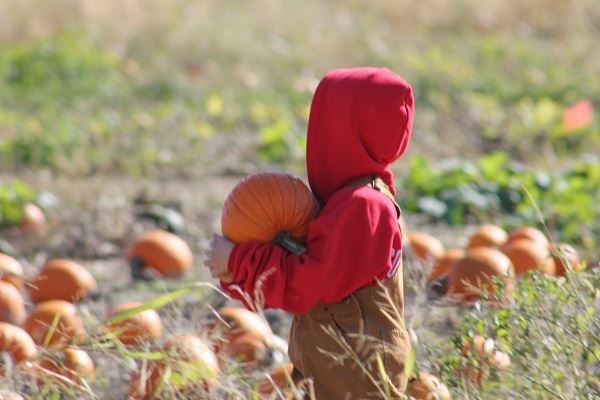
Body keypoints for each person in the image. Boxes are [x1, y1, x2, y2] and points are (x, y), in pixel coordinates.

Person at [205, 67, 414, 399]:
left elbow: (309, 283)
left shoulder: (364, 207)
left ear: (343, 132)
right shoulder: (345, 203)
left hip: (359, 375)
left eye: (322, 124)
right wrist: (239, 267)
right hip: (332, 365)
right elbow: (308, 266)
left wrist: (239, 260)